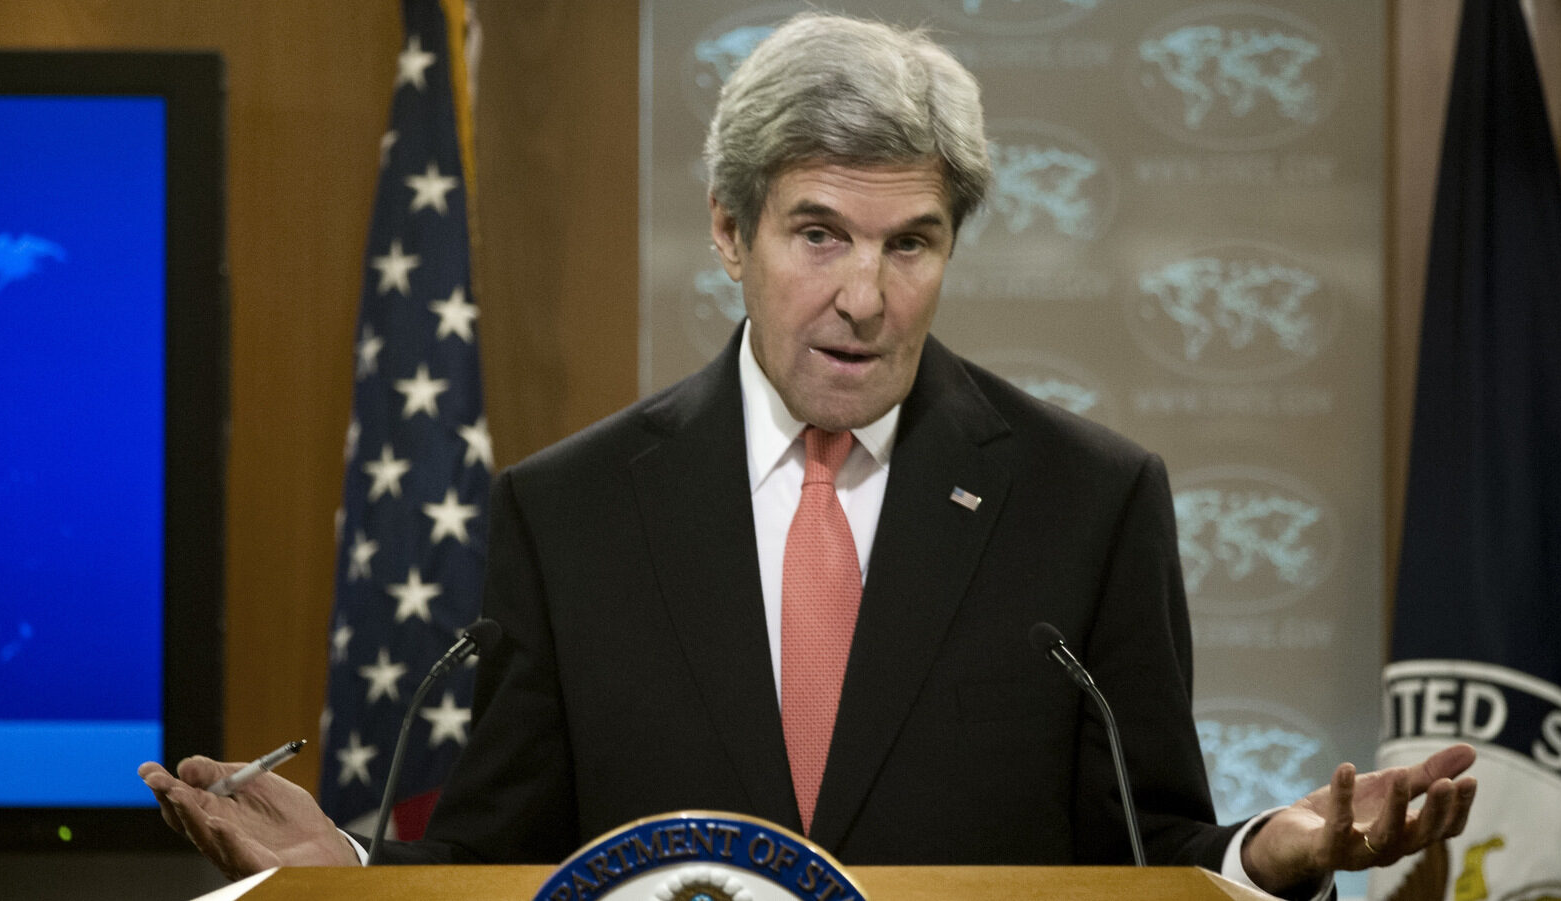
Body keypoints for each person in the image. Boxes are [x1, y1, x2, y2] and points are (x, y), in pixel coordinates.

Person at [139, 12, 1475, 897]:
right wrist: (355, 871)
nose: (866, 295)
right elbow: (511, 859)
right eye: (818, 234)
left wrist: (1271, 851)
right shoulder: (574, 511)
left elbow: (1145, 848)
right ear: (730, 232)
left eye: (912, 243)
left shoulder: (1089, 497)